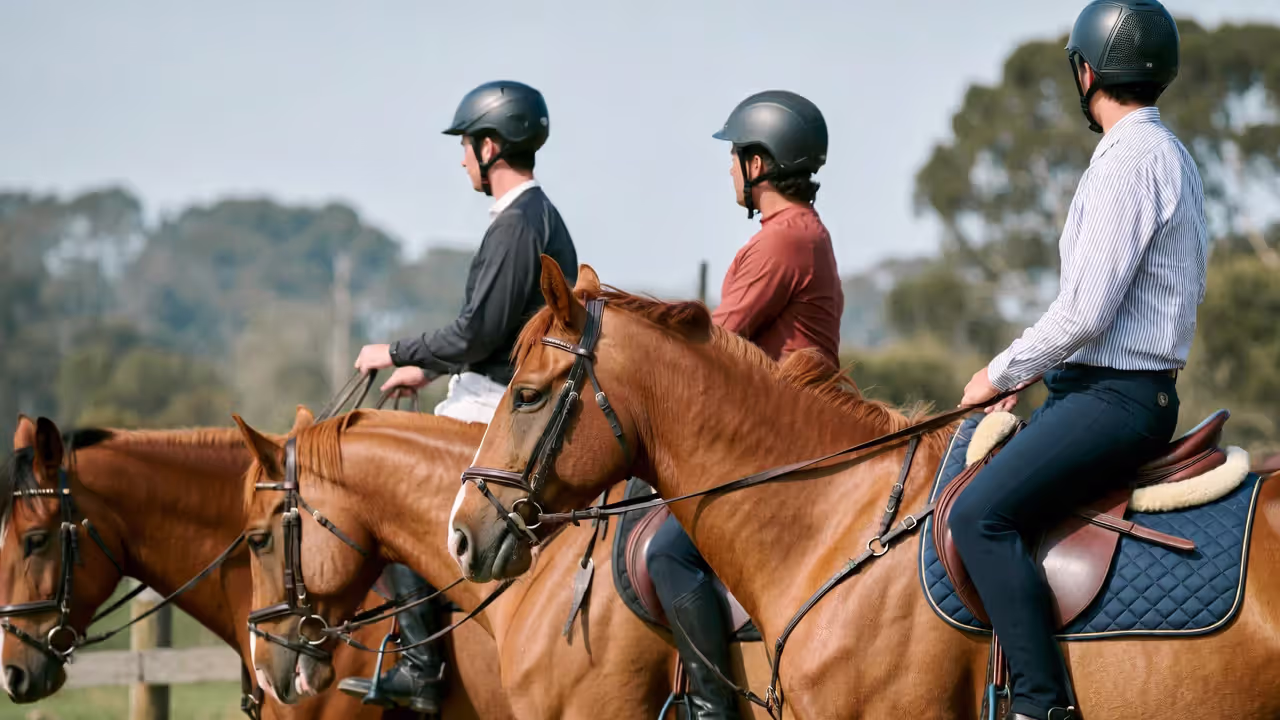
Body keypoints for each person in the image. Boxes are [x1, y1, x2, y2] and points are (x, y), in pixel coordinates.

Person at [949, 3, 1205, 719]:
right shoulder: (1172, 152)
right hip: (1114, 392)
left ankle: (1040, 705)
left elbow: (1085, 313)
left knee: (978, 517)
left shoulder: (1129, 161)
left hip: (1113, 400)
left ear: (1086, 71)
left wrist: (998, 374)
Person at [343, 79, 577, 712]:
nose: (462, 159)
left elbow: (477, 330)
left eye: (468, 145)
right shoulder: (527, 219)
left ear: (491, 146)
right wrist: (424, 372)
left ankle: (420, 671)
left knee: (388, 497)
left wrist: (397, 351)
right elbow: (491, 332)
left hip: (497, 404)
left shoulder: (519, 224)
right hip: (489, 386)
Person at [646, 90, 843, 719]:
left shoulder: (780, 241)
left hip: (776, 444)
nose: (729, 168)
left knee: (668, 552)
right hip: (787, 430)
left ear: (759, 164)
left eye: (735, 155)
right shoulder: (800, 234)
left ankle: (713, 707)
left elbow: (714, 348)